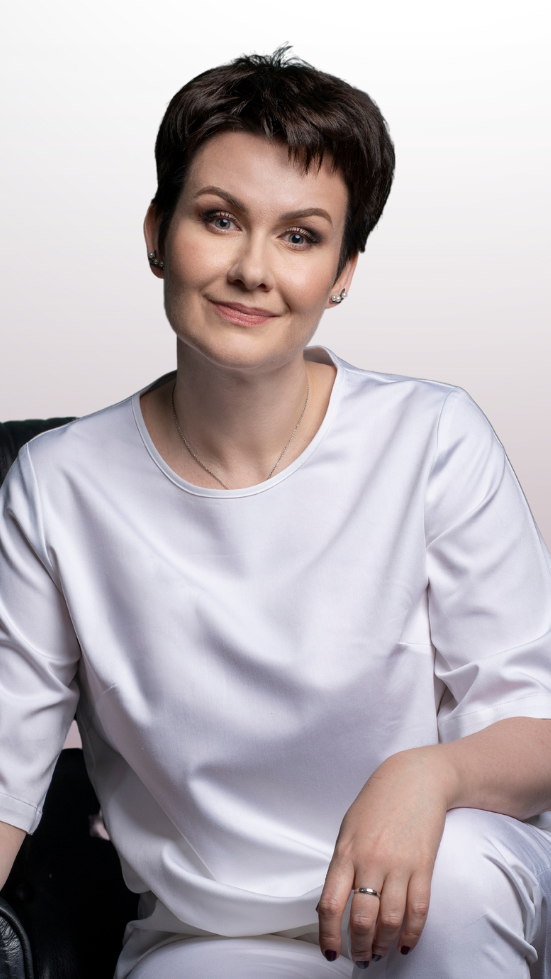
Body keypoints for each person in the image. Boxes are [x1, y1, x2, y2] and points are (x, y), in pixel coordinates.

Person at [1, 46, 551, 979]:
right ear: (157, 232)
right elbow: (6, 775)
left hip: (431, 894)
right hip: (214, 936)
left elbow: (536, 724)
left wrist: (428, 772)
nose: (253, 268)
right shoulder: (57, 485)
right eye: (219, 219)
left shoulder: (431, 438)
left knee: (459, 870)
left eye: (300, 236)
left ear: (342, 270)